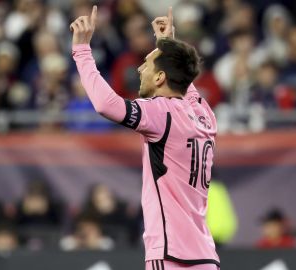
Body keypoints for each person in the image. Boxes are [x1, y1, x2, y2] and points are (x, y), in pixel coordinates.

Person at [71, 6, 219, 270]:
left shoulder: (161, 112)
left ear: (161, 77)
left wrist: (82, 51)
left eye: (147, 64)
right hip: (205, 257)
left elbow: (107, 105)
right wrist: (167, 43)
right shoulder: (204, 112)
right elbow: (184, 79)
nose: (140, 69)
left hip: (171, 255)